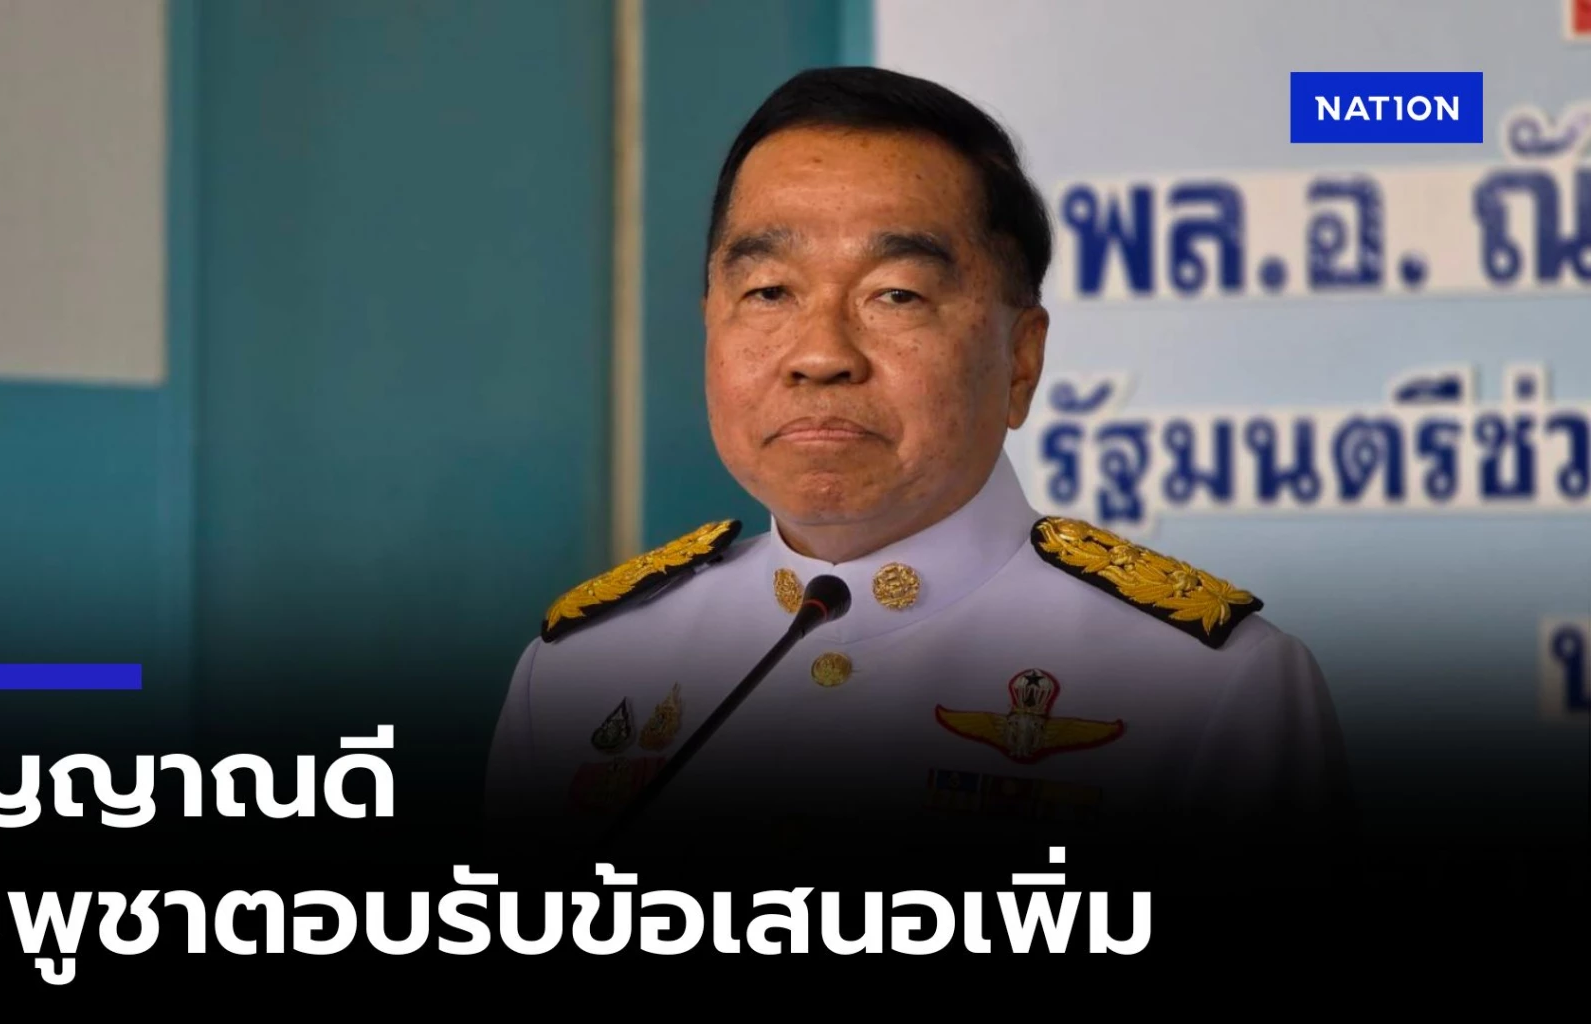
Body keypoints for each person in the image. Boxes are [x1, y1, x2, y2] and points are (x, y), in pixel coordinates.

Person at [484, 67, 1347, 859]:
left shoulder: (1213, 692)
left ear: (1021, 360)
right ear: (710, 322)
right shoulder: (578, 677)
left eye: (895, 294)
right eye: (770, 291)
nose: (820, 355)